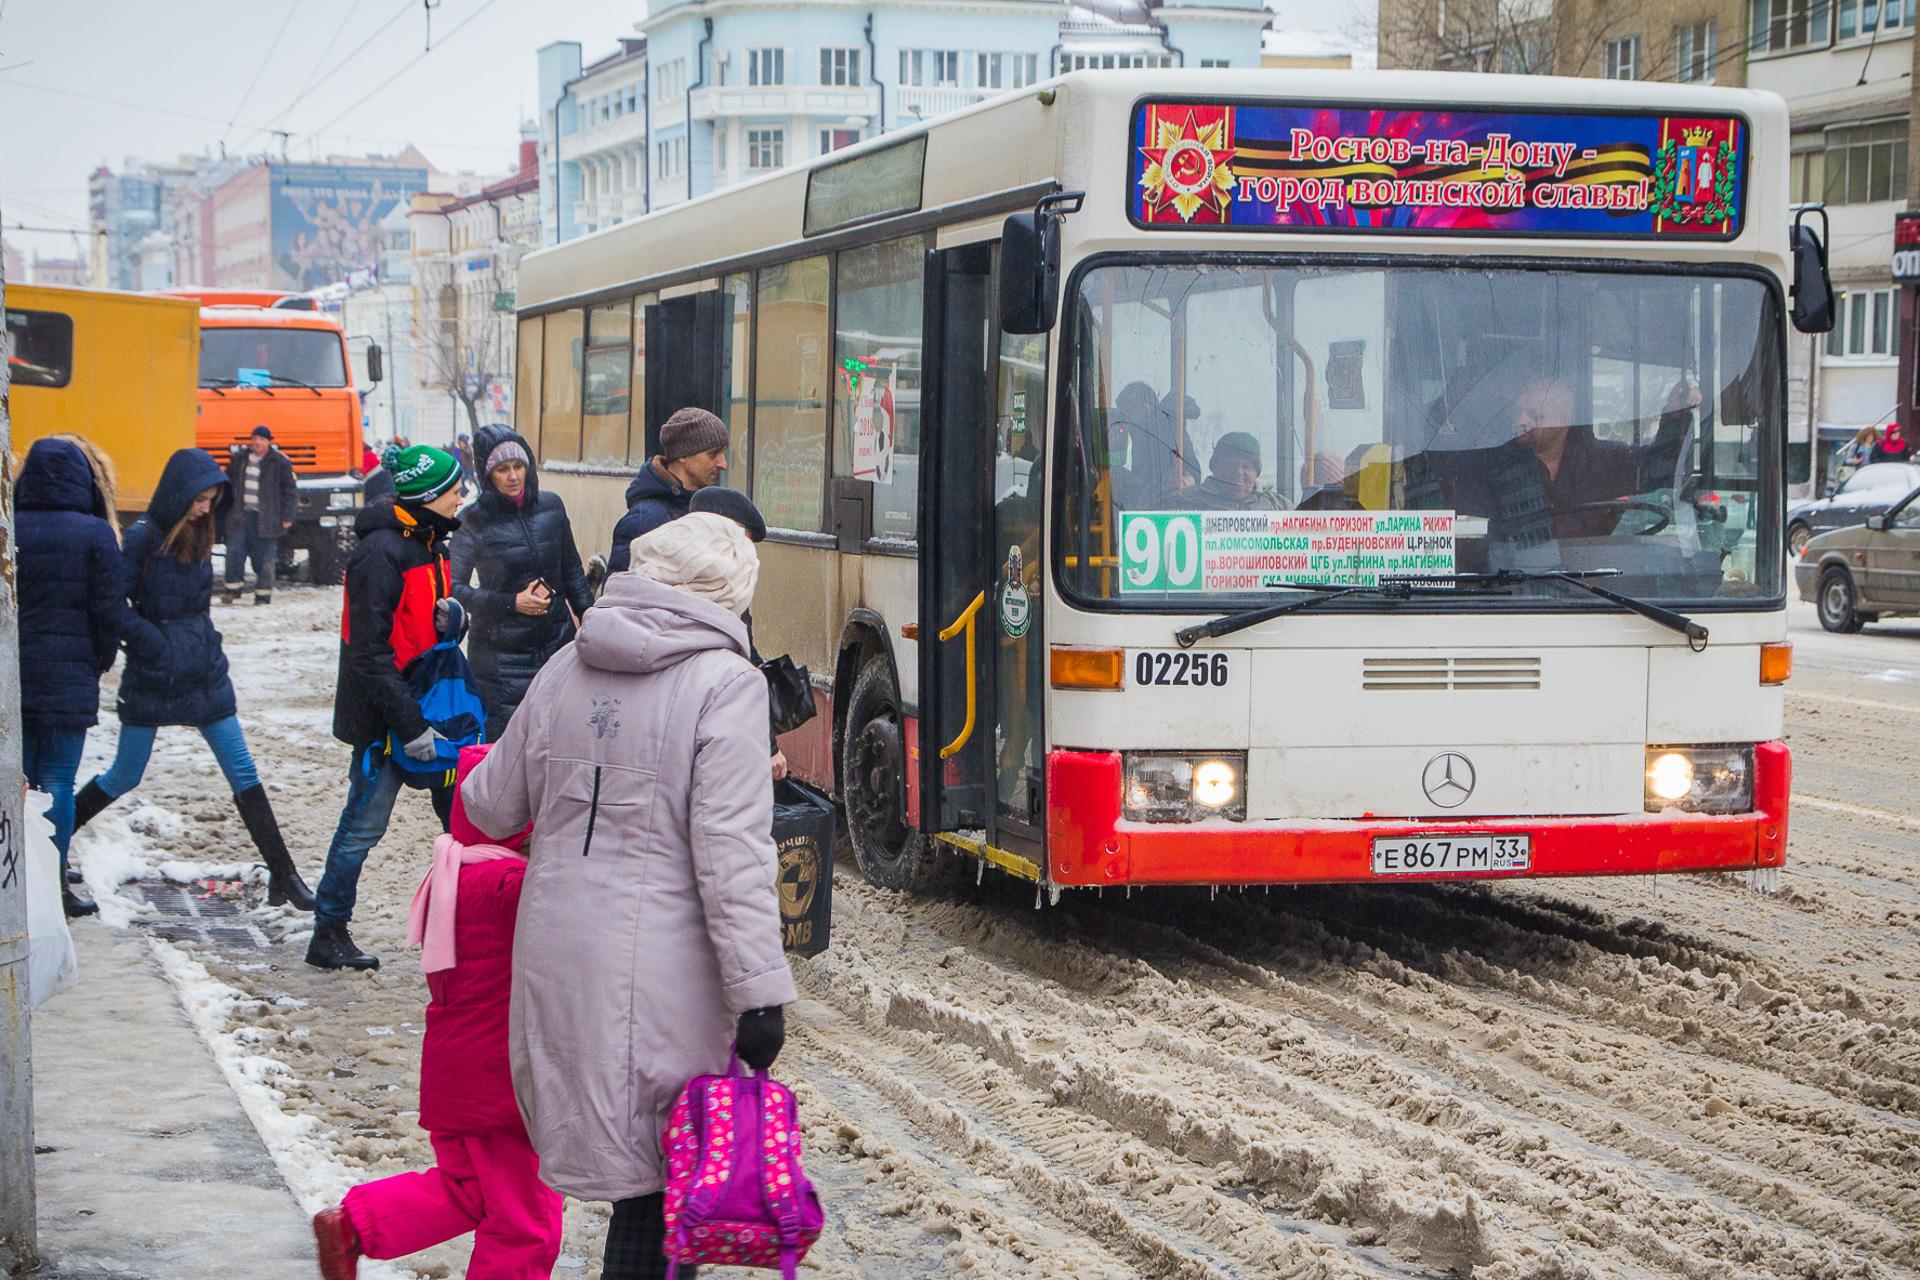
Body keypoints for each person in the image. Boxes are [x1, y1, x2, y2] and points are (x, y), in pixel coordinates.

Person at [461, 511, 797, 1280]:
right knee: (660, 1190)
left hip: (558, 956)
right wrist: (760, 994)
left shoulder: (564, 667)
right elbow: (733, 856)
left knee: (638, 1190)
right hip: (662, 972)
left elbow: (489, 803)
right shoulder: (727, 685)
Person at [311, 748, 561, 1280]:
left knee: (468, 1190)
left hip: (457, 1075)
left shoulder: (456, 872)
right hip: (504, 1084)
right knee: (526, 1223)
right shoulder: (511, 888)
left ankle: (355, 1224)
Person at [68, 448, 314, 911]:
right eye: (199, 499)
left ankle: (286, 875)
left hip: (203, 672)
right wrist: (151, 641)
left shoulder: (202, 533)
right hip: (154, 673)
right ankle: (55, 844)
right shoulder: (142, 538)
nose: (204, 509)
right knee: (124, 774)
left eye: (211, 500)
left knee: (244, 772)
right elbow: (108, 605)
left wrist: (202, 642)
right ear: (178, 493)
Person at [309, 443, 466, 971]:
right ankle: (327, 931)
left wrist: (453, 620)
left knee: (462, 825)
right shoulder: (380, 553)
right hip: (388, 720)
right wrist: (409, 723)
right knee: (363, 828)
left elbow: (416, 625)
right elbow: (368, 652)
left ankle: (469, 928)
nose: (462, 495)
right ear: (430, 495)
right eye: (454, 488)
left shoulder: (431, 542)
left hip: (430, 711)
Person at [15, 438, 131, 917]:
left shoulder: (9, 526)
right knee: (58, 781)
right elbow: (109, 614)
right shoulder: (95, 534)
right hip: (70, 676)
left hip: (13, 680)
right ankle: (55, 889)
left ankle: (15, 885)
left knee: (15, 783)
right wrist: (96, 662)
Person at [451, 426, 594, 740]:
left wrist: (594, 622)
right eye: (502, 469)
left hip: (558, 646)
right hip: (501, 661)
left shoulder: (552, 507)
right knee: (509, 750)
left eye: (519, 466)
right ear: (487, 475)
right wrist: (510, 602)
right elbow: (454, 590)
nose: (513, 476)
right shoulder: (471, 521)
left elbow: (572, 573)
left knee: (560, 741)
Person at [605, 406, 730, 573]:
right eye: (712, 454)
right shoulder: (643, 522)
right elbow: (620, 594)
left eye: (723, 454)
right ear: (683, 455)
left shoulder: (707, 512)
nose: (723, 464)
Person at [224, 425, 300, 606]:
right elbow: (227, 485)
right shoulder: (239, 459)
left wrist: (288, 516)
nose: (258, 442)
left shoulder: (279, 462)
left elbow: (290, 491)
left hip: (267, 518)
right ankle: (232, 591)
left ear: (269, 441)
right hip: (240, 516)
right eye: (255, 438)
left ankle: (263, 595)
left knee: (264, 558)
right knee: (234, 552)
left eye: (262, 439)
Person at [1162, 432, 1290, 511]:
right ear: (1215, 467)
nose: (1239, 472)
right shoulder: (1184, 501)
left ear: (1257, 473)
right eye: (1232, 465)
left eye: (1247, 467)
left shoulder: (1278, 505)